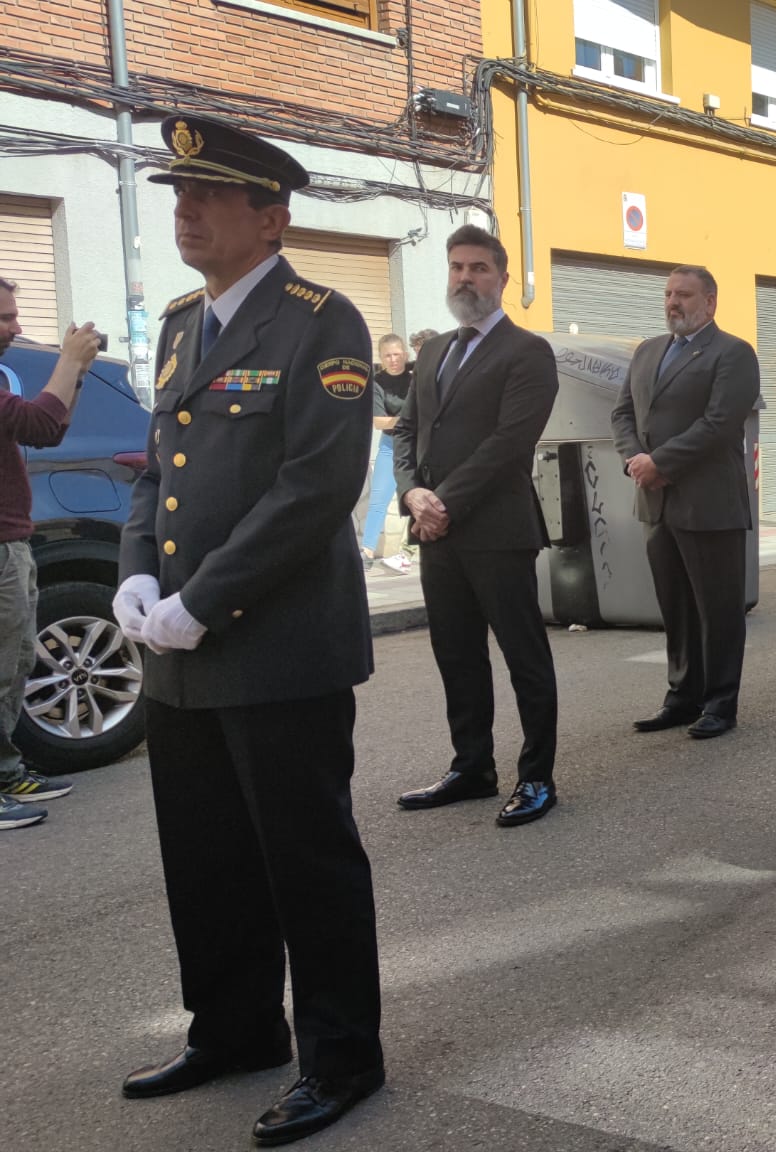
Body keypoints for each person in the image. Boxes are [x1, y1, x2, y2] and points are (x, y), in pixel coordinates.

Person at [112, 115, 384, 1145]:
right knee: (206, 856)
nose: (184, 209)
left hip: (275, 648)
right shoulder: (184, 320)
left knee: (304, 862)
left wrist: (199, 601)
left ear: (270, 218)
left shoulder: (323, 321)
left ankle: (342, 1055)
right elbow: (157, 469)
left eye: (209, 195)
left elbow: (314, 487)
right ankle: (233, 1028)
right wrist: (137, 580)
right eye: (180, 193)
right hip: (179, 653)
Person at [391, 226, 563, 826]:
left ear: (503, 279)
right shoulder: (435, 350)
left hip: (496, 530)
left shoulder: (527, 351)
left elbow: (509, 443)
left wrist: (442, 503)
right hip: (437, 534)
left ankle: (537, 778)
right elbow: (407, 430)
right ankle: (472, 768)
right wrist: (412, 492)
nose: (466, 278)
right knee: (457, 656)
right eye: (458, 267)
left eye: (479, 268)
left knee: (524, 658)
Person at [612, 265, 760, 739]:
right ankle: (682, 696)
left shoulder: (733, 353)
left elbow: (719, 425)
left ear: (710, 301)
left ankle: (720, 702)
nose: (673, 302)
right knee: (674, 607)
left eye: (685, 294)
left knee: (717, 610)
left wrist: (660, 462)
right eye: (669, 293)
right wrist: (635, 457)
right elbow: (621, 413)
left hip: (709, 504)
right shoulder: (647, 351)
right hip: (655, 503)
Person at [0, 280, 90, 830]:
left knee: (12, 667)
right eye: (5, 317)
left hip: (12, 542)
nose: (15, 326)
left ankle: (7, 772)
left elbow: (49, 431)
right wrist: (68, 359)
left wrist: (74, 374)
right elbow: (35, 422)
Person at [360, 334, 409, 571]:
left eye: (397, 354)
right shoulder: (376, 382)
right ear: (381, 357)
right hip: (390, 445)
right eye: (387, 355)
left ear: (405, 354)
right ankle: (367, 550)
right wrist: (409, 420)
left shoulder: (416, 376)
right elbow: (379, 422)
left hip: (418, 445)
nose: (393, 359)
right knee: (378, 498)